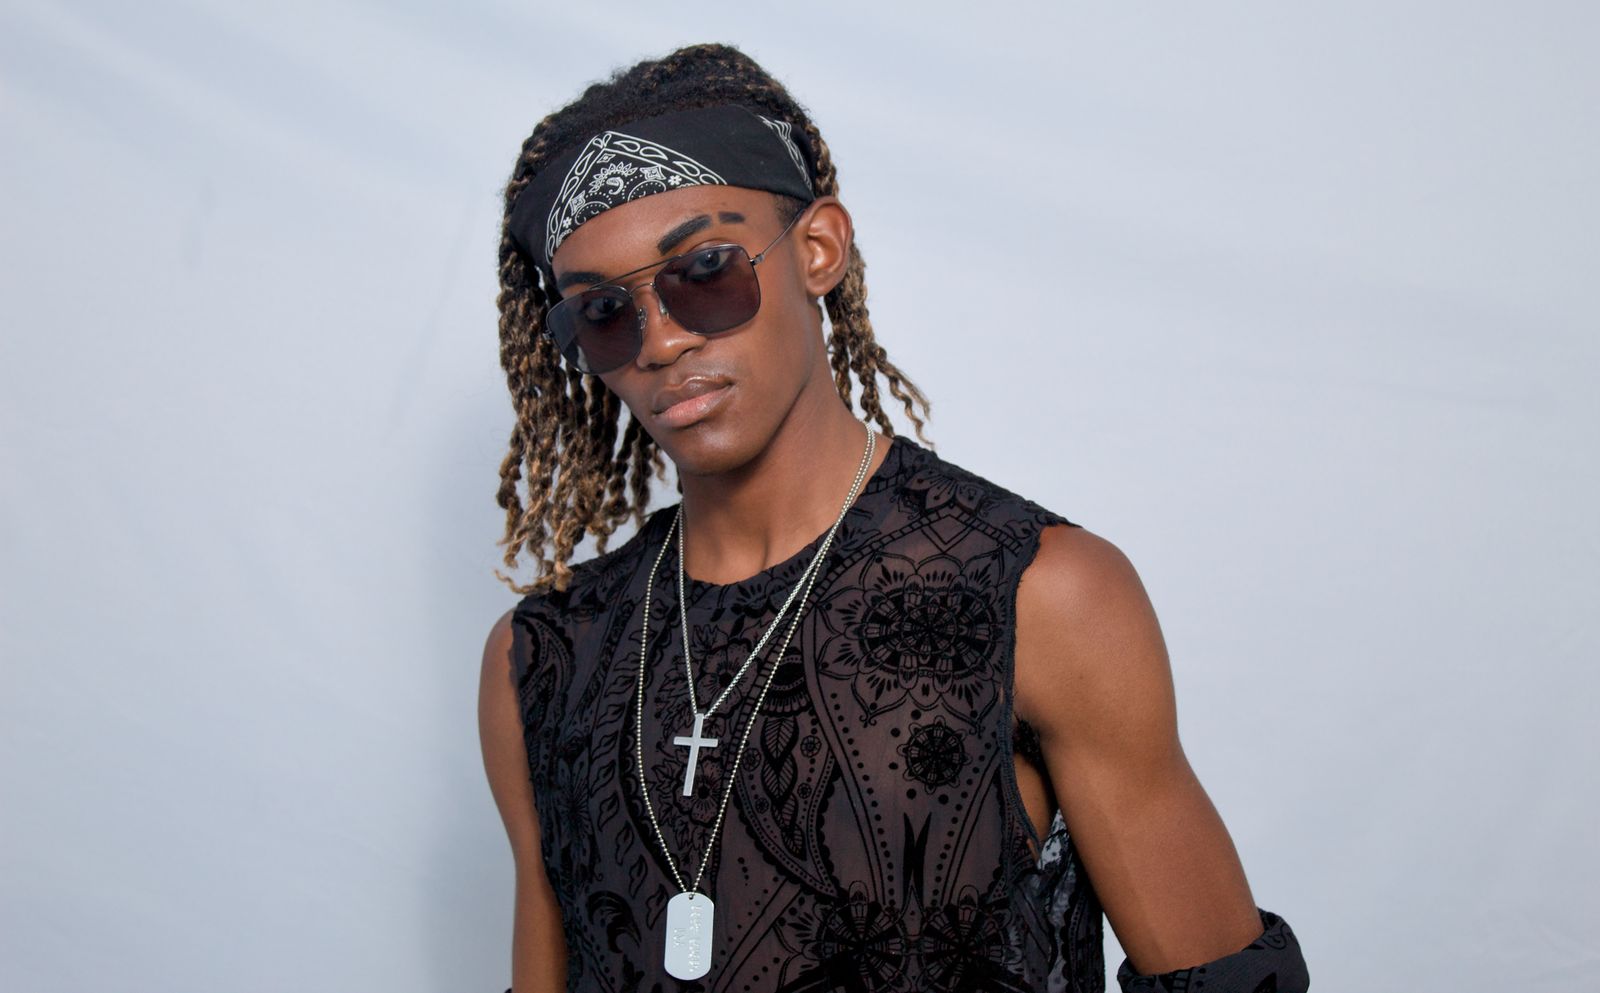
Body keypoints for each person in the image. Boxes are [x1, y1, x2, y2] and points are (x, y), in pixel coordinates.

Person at [477, 43, 1309, 993]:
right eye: (602, 312)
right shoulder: (541, 658)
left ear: (818, 250)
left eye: (705, 271)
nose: (660, 341)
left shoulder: (1039, 595)